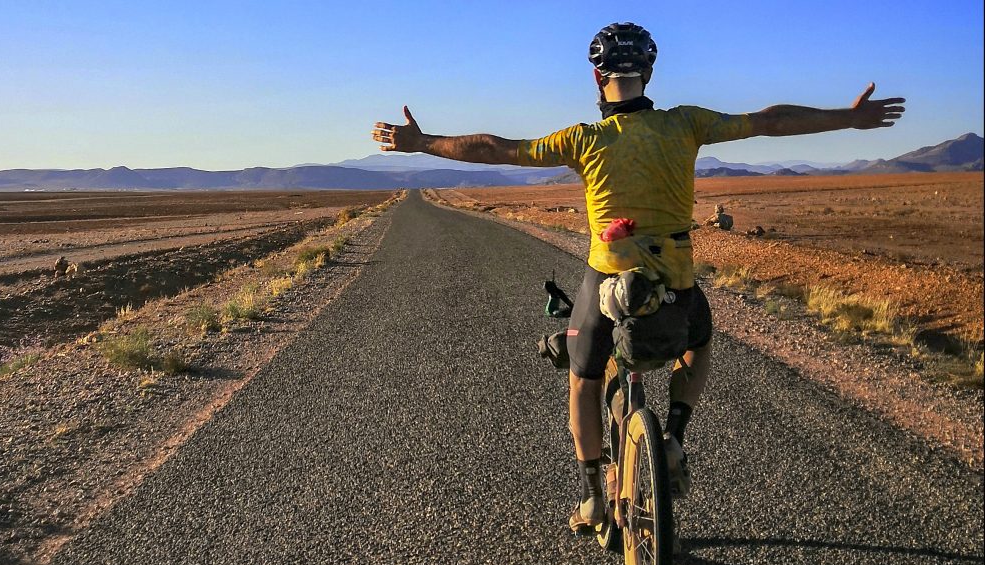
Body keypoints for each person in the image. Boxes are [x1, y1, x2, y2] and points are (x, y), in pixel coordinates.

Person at [371, 22, 904, 532]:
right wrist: (849, 119)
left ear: (597, 78)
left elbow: (496, 148)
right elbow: (768, 119)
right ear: (649, 73)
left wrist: (423, 143)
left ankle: (593, 498)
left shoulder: (583, 140)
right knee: (698, 340)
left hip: (606, 282)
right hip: (676, 282)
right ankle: (672, 436)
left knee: (582, 381)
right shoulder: (687, 124)